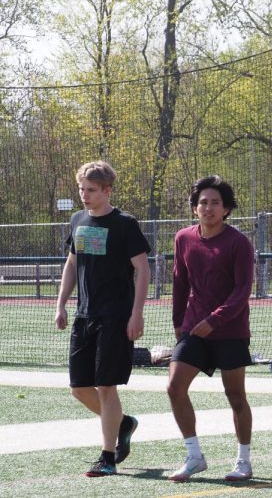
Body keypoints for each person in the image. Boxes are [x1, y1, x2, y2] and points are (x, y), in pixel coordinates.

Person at [54, 161, 151, 477]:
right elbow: (71, 264)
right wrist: (61, 305)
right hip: (84, 317)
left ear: (107, 190)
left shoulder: (124, 223)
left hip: (115, 317)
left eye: (91, 190)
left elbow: (143, 269)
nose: (85, 195)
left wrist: (136, 314)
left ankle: (107, 457)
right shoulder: (77, 219)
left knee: (105, 386)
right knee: (79, 388)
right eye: (82, 188)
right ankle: (122, 423)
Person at [167, 176, 255, 482]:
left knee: (235, 396)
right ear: (194, 208)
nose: (208, 208)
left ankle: (243, 460)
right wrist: (179, 323)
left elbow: (242, 291)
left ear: (226, 209)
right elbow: (180, 283)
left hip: (230, 331)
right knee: (174, 387)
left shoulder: (239, 243)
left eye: (215, 203)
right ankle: (194, 457)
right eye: (203, 202)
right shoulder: (183, 238)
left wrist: (215, 320)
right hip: (193, 329)